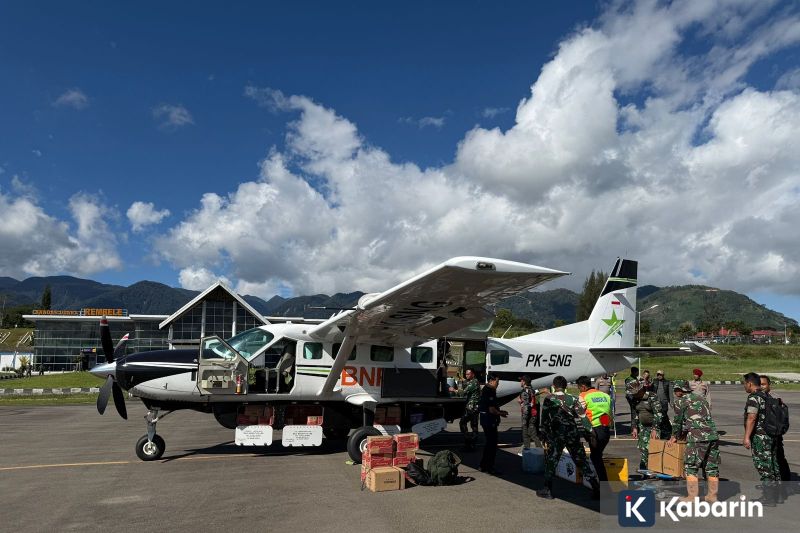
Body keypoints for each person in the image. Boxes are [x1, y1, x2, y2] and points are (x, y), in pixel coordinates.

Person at [536, 375, 599, 500]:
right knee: (581, 461)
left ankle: (547, 489)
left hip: (556, 435)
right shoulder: (573, 398)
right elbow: (583, 417)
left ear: (554, 386)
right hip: (572, 434)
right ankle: (596, 488)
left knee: (552, 461)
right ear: (565, 386)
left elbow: (545, 419)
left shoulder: (549, 398)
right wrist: (591, 432)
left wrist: (544, 434)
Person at [670, 379, 720, 502]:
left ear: (679, 390)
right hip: (712, 435)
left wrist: (674, 436)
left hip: (697, 436)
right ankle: (712, 496)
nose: (675, 393)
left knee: (690, 466)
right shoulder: (701, 399)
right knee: (711, 467)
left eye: (675, 390)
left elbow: (678, 422)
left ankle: (692, 497)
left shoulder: (680, 402)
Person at [742, 372, 780, 504]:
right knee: (773, 464)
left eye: (744, 384)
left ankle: (768, 497)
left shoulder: (754, 398)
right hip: (771, 435)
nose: (744, 386)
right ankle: (777, 495)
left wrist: (746, 437)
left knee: (764, 466)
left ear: (750, 384)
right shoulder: (767, 396)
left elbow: (752, 417)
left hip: (760, 437)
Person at [577, 375, 612, 481]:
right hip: (606, 430)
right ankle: (599, 481)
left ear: (583, 386)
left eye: (579, 387)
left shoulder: (583, 396)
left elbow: (579, 412)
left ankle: (603, 484)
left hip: (594, 431)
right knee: (597, 455)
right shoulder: (605, 395)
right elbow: (609, 412)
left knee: (595, 457)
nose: (579, 390)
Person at [760, 375, 791, 481]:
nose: (761, 387)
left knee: (778, 456)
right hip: (766, 433)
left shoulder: (774, 397)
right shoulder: (760, 396)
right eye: (759, 384)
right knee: (771, 458)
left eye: (763, 384)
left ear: (769, 385)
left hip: (774, 432)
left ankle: (785, 479)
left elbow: (780, 416)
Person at [629, 379, 662, 472]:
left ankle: (656, 469)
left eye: (635, 393)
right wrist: (634, 427)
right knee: (643, 448)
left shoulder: (652, 397)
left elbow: (658, 414)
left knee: (654, 448)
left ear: (640, 390)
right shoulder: (635, 399)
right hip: (643, 427)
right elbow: (635, 414)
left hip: (654, 427)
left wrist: (655, 429)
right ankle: (644, 469)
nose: (633, 395)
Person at [478, 374, 508, 474]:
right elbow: (491, 409)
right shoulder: (489, 391)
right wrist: (500, 413)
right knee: (492, 445)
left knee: (488, 444)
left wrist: (499, 411)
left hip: (486, 420)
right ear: (491, 381)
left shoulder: (487, 389)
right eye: (497, 382)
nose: (498, 384)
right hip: (489, 420)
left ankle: (483, 465)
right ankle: (489, 467)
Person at [457, 369, 481, 451]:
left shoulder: (473, 383)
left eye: (468, 374)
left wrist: (453, 390)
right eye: (466, 374)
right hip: (474, 408)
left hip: (472, 408)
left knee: (463, 423)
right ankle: (471, 444)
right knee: (474, 426)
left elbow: (462, 392)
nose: (466, 375)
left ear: (473, 374)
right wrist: (461, 378)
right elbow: (467, 383)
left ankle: (469, 443)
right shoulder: (473, 381)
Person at [518, 375, 542, 451]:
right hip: (533, 415)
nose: (520, 382)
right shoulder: (532, 390)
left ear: (524, 382)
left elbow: (526, 406)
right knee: (533, 434)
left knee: (526, 435)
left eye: (521, 380)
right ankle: (540, 449)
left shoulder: (524, 392)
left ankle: (527, 451)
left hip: (528, 416)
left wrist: (525, 420)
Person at [652, 370, 673, 438]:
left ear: (663, 375)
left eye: (660, 375)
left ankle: (665, 430)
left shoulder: (667, 382)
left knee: (663, 416)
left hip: (664, 402)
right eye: (658, 375)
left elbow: (670, 393)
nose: (659, 376)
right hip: (656, 402)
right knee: (656, 416)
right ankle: (657, 429)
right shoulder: (654, 381)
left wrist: (671, 403)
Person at [624, 367, 641, 431]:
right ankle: (634, 428)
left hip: (635, 397)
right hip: (632, 397)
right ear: (634, 372)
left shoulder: (635, 378)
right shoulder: (629, 379)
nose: (638, 373)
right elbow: (631, 389)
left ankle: (636, 427)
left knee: (636, 413)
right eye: (637, 372)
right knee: (634, 413)